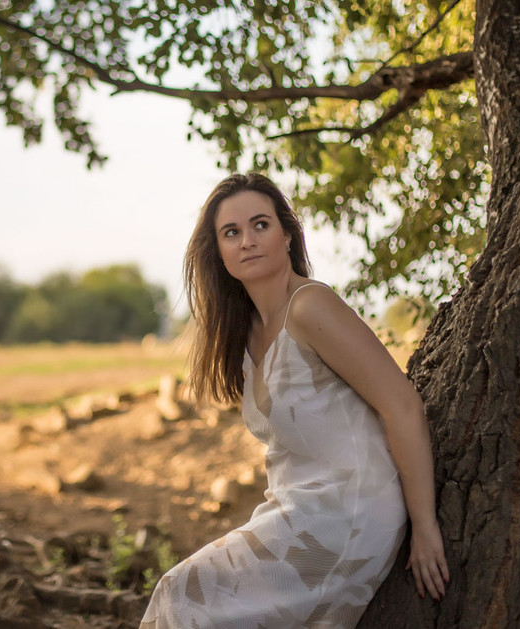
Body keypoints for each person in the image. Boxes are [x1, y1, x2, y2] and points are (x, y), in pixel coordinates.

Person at [140, 173, 448, 629]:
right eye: (232, 232)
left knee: (181, 596)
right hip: (297, 511)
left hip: (350, 513)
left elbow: (401, 405)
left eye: (260, 225)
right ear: (220, 255)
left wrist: (425, 528)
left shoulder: (310, 307)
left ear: (287, 233)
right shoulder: (242, 339)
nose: (247, 240)